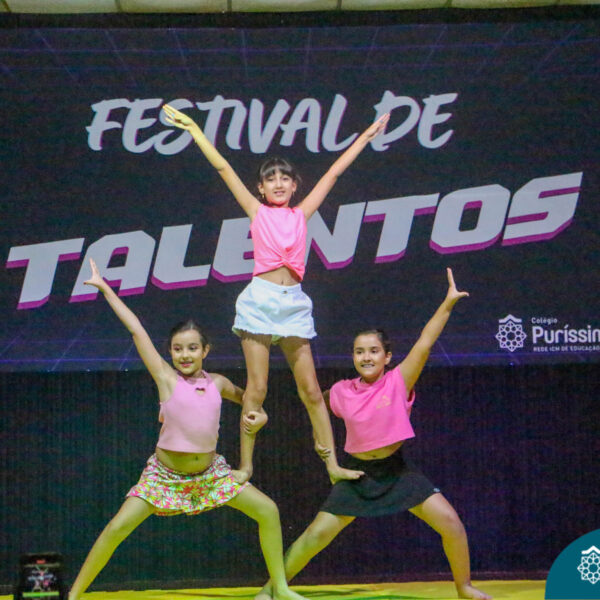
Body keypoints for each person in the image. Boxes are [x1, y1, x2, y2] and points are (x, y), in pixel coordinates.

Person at [162, 103, 390, 486]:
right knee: (258, 388)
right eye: (271, 179)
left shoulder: (301, 215)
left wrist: (366, 136)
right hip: (260, 301)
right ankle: (246, 467)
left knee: (311, 391)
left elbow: (334, 172)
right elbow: (224, 169)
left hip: (294, 304)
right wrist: (194, 130)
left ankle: (332, 466)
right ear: (261, 188)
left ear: (295, 185)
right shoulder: (257, 211)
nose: (279, 183)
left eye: (285, 178)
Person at [68, 259, 307, 600]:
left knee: (268, 510)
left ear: (205, 350)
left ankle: (279, 588)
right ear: (169, 352)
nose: (185, 355)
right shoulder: (166, 379)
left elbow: (253, 405)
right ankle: (74, 595)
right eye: (177, 349)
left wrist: (262, 418)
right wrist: (106, 289)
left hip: (210, 476)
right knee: (116, 528)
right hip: (164, 477)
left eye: (192, 348)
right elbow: (137, 331)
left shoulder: (219, 383)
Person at [256, 268, 492, 600]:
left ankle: (464, 588)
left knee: (451, 523)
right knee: (315, 536)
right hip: (358, 475)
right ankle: (271, 589)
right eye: (359, 352)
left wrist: (448, 303)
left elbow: (425, 342)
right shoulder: (342, 391)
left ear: (387, 356)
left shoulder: (399, 380)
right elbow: (312, 403)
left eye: (373, 351)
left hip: (397, 472)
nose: (365, 357)